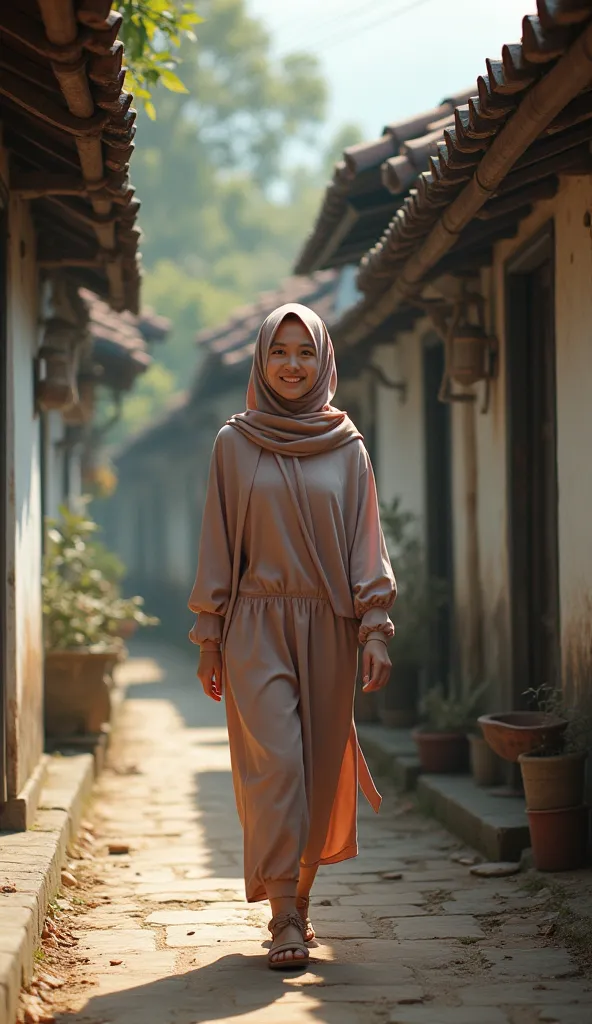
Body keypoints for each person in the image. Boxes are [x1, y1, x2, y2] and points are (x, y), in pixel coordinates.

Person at [188, 303, 396, 970]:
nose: (291, 365)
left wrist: (376, 627)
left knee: (315, 775)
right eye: (279, 351)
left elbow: (367, 545)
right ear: (261, 358)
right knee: (276, 766)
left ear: (324, 362)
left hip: (331, 627)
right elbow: (218, 544)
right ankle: (281, 913)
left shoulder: (349, 447)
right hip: (255, 626)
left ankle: (301, 904)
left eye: (304, 352)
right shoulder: (233, 443)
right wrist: (209, 636)